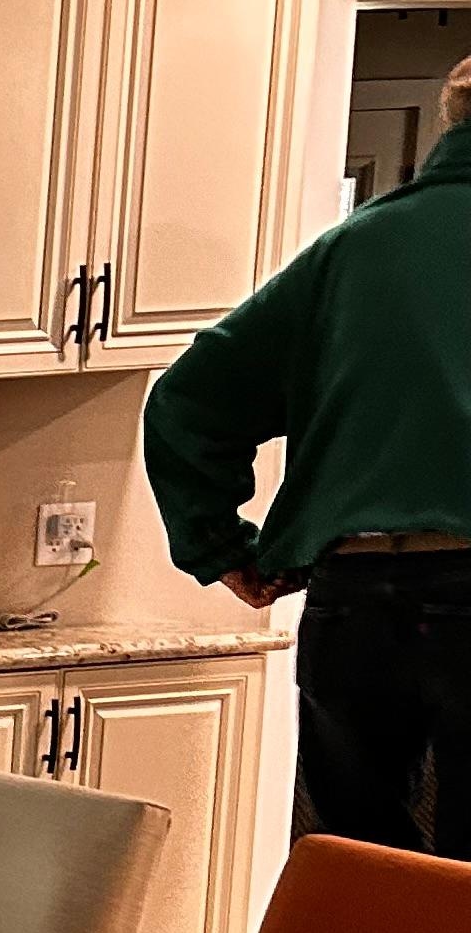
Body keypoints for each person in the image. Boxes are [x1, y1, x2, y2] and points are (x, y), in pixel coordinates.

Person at [145, 53, 471, 850]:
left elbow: (188, 401)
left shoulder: (352, 251)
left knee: (358, 869)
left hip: (354, 596)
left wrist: (223, 546)